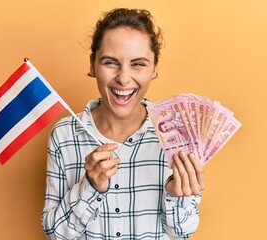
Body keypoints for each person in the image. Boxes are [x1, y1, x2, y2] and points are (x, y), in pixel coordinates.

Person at [41, 8, 205, 239]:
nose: (124, 78)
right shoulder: (64, 135)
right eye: (110, 62)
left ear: (155, 68)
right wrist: (89, 187)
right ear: (93, 65)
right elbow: (55, 234)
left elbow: (182, 231)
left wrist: (176, 195)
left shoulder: (177, 135)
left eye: (138, 64)